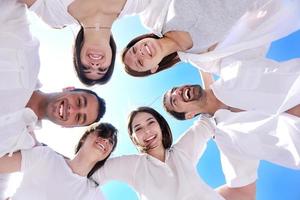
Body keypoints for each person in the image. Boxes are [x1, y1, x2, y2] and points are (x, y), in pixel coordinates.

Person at [92, 107, 256, 200]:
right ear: (134, 140)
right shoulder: (133, 165)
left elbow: (208, 119)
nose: (147, 131)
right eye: (138, 129)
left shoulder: (181, 152)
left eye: (151, 123)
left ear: (161, 127)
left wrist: (202, 62)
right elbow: (91, 171)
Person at [122, 0, 300, 77]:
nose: (141, 52)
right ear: (153, 68)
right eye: (139, 62)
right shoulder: (202, 57)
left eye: (134, 49)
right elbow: (242, 71)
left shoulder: (152, 16)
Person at [163, 73, 300, 172]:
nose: (177, 92)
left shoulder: (232, 74)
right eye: (174, 101)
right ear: (190, 115)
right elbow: (242, 192)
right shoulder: (226, 139)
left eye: (175, 89)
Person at [22, 0, 171, 85]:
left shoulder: (55, 17)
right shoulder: (139, 4)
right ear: (111, 58)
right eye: (102, 69)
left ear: (77, 56)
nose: (94, 66)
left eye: (85, 68)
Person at [0, 122, 118, 199]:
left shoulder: (94, 194)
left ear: (106, 155)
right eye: (102, 133)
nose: (106, 140)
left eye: (111, 141)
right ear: (84, 138)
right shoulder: (45, 156)